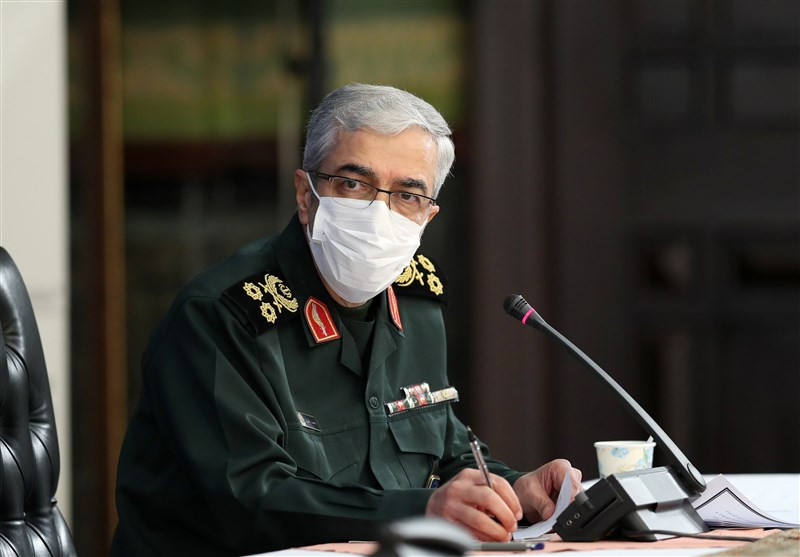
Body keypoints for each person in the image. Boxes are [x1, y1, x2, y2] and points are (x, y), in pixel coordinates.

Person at [111, 83, 582, 556]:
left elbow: (446, 455)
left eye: (408, 195)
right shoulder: (222, 316)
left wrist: (515, 491)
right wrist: (421, 512)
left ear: (428, 216)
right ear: (306, 194)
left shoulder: (415, 303)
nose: (380, 214)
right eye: (354, 185)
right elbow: (250, 503)